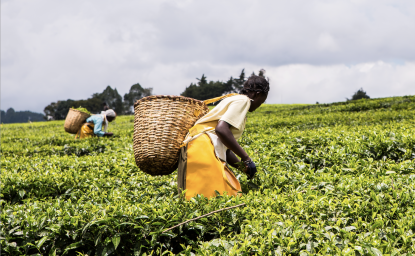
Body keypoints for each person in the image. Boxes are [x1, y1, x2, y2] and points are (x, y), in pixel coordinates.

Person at [177, 75, 269, 200]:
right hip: (203, 147)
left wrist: (243, 168)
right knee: (222, 196)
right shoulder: (243, 101)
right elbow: (221, 130)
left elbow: (224, 146)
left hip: (195, 147)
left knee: (196, 198)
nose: (259, 105)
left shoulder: (234, 99)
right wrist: (247, 159)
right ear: (257, 94)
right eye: (262, 101)